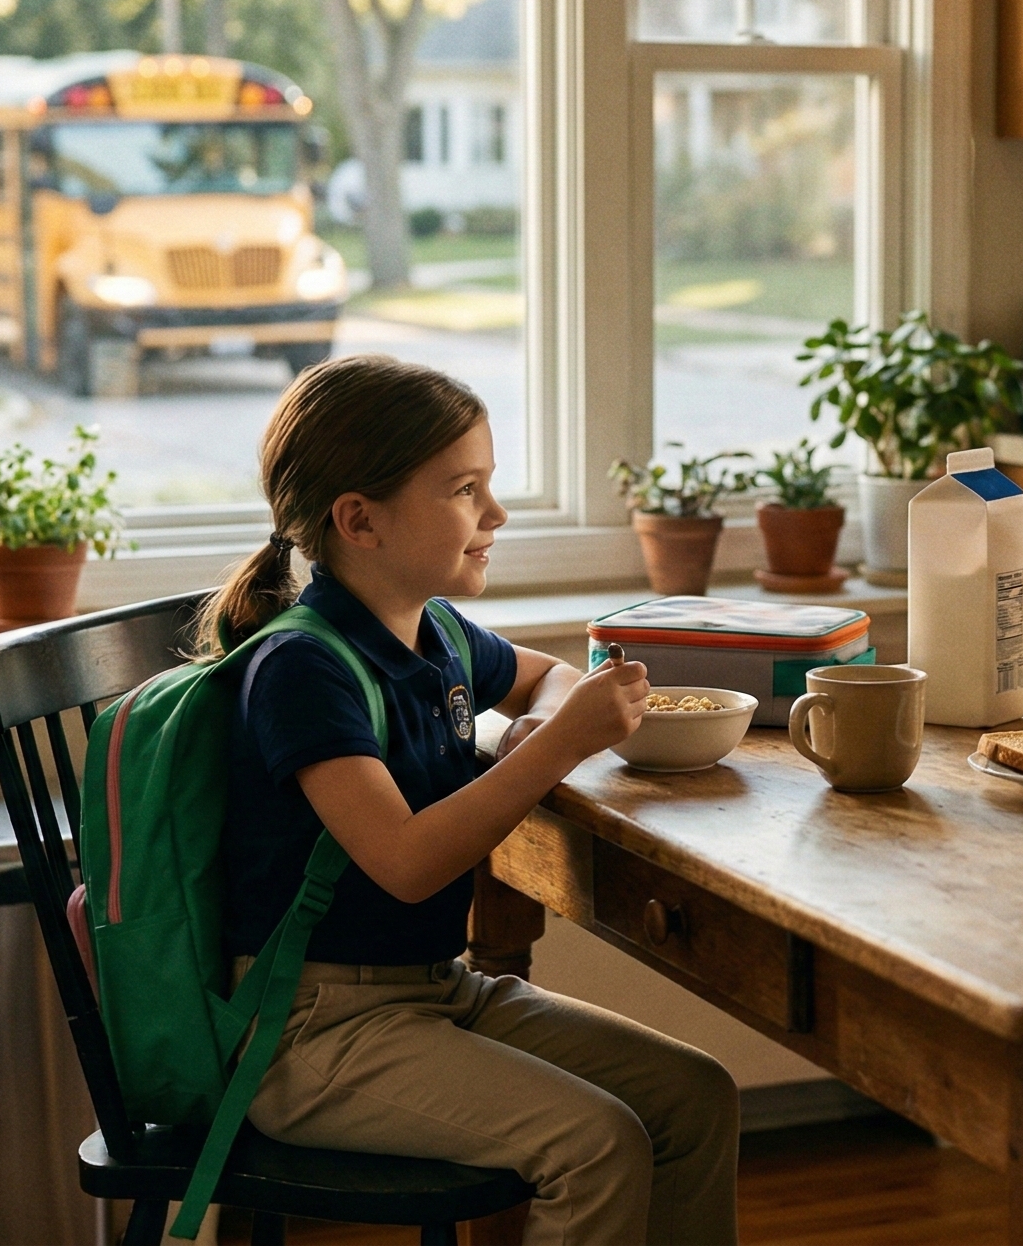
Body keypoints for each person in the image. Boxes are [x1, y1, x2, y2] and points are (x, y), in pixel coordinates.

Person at [195, 355, 741, 1246]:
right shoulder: (303, 668)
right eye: (464, 490)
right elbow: (406, 864)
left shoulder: (436, 630)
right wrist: (556, 746)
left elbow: (553, 678)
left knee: (695, 1096)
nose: (495, 515)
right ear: (359, 520)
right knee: (597, 1143)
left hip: (431, 991)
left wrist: (550, 722)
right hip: (311, 1031)